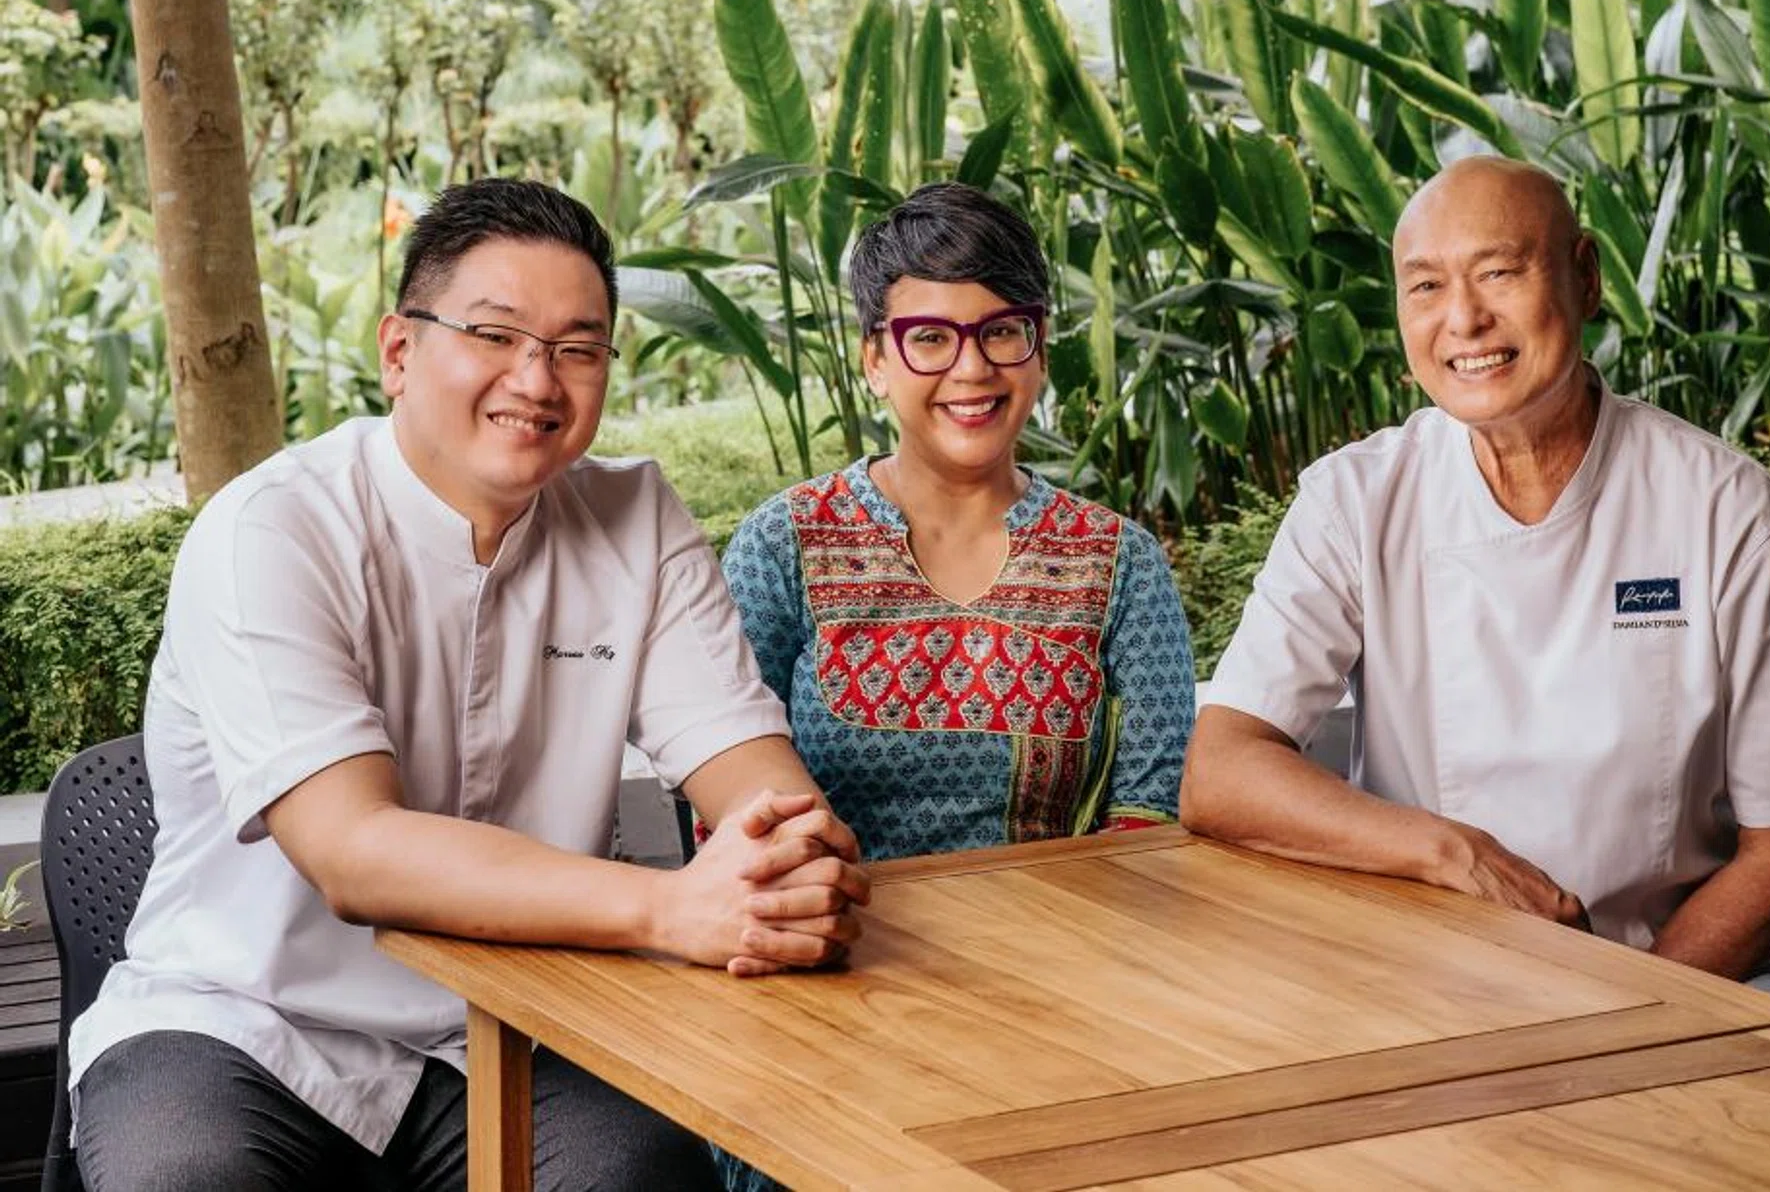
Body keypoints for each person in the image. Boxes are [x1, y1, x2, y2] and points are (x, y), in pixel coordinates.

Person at [67, 179, 868, 1192]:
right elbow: (355, 851)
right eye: (495, 334)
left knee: (646, 1175)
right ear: (398, 351)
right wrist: (671, 909)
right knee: (185, 1180)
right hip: (244, 1020)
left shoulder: (635, 518)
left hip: (517, 1016)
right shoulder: (272, 528)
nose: (537, 379)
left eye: (578, 349)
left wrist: (789, 867)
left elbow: (759, 784)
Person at [1184, 156, 1770, 1009]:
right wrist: (1455, 852)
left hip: (1704, 966)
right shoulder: (1355, 501)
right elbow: (1222, 771)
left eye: (1498, 272)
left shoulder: (1728, 508)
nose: (1464, 320)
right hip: (1434, 967)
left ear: (1585, 276)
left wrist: (1631, 1012)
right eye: (1426, 287)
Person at [722, 181, 1194, 863]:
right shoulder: (783, 545)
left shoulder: (1119, 561)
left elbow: (1152, 814)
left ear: (1039, 348)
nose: (972, 369)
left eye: (1001, 331)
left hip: (1072, 923)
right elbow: (729, 796)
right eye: (931, 338)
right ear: (876, 361)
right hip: (833, 919)